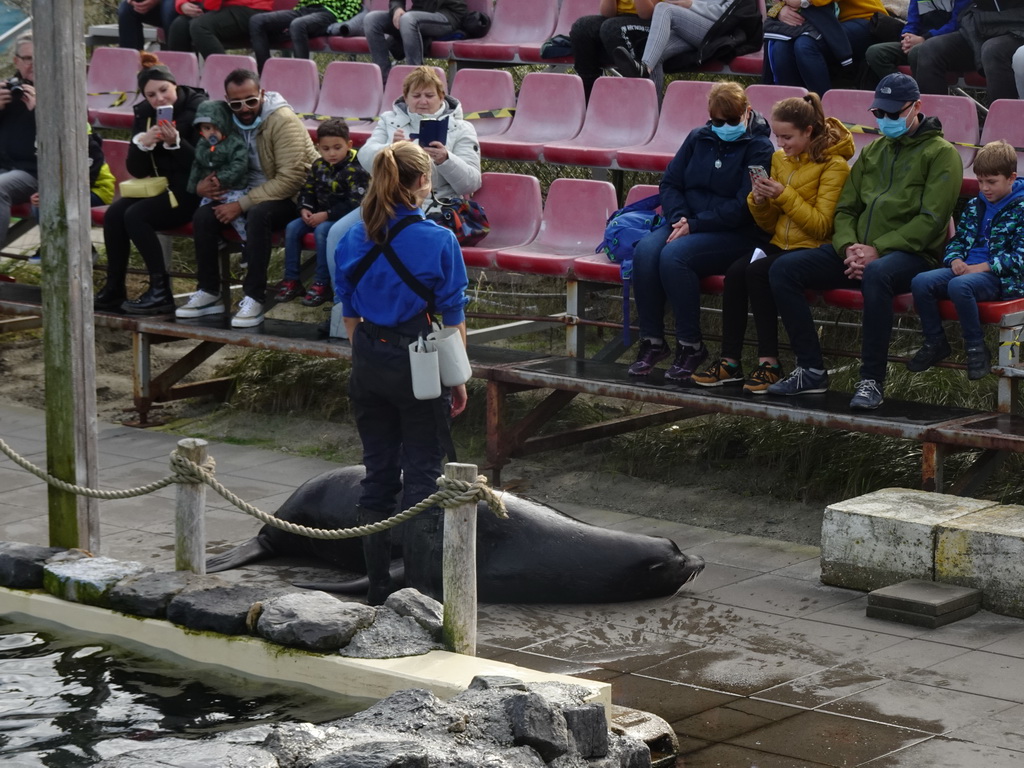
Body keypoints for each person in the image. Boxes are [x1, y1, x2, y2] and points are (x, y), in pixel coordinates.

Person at [767, 73, 962, 409]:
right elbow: (845, 209)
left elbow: (932, 220)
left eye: (892, 113)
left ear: (916, 106)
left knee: (878, 273)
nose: (885, 121)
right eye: (879, 114)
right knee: (783, 269)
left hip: (913, 255)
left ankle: (871, 380)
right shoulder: (874, 151)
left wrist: (879, 249)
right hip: (860, 252)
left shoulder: (942, 154)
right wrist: (850, 249)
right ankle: (811, 369)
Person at [335, 141, 468, 605]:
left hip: (368, 355)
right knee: (425, 475)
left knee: (378, 474)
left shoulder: (353, 235)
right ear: (420, 184)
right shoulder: (438, 239)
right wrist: (458, 378)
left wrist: (370, 357)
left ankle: (376, 589)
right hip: (420, 359)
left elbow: (349, 311)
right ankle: (422, 591)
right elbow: (452, 317)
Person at [693, 93, 854, 393]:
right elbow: (769, 224)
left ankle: (770, 362)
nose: (781, 145)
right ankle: (730, 361)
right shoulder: (780, 159)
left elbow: (822, 225)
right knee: (737, 272)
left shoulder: (835, 166)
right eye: (778, 137)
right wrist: (759, 201)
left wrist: (783, 195)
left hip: (813, 249)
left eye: (788, 137)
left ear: (808, 131)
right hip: (780, 242)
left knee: (759, 272)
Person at [627, 81, 774, 381]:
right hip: (685, 222)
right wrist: (682, 218)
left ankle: (691, 345)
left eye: (732, 121)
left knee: (674, 257)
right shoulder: (698, 137)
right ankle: (652, 341)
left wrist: (696, 224)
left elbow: (745, 205)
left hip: (735, 231)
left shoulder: (760, 147)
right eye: (718, 121)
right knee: (644, 252)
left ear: (746, 113)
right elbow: (671, 183)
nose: (724, 127)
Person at [176, 68, 317, 328]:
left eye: (251, 100)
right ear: (228, 100)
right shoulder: (226, 119)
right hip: (241, 189)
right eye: (236, 102)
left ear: (262, 94)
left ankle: (254, 297)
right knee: (203, 216)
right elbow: (211, 155)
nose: (244, 108)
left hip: (291, 195)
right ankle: (209, 292)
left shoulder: (282, 120)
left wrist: (239, 205)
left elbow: (292, 178)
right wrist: (203, 186)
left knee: (258, 214)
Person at [324, 65, 481, 294]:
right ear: (405, 97)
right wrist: (390, 149)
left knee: (398, 244)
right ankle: (343, 306)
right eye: (415, 95)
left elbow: (471, 182)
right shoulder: (390, 120)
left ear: (441, 96)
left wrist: (446, 159)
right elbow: (365, 158)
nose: (422, 101)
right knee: (338, 234)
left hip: (431, 206)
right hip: (384, 201)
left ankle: (403, 308)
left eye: (429, 95)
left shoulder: (461, 128)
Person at [94, 53, 207, 315]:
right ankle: (114, 287)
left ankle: (160, 291)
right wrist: (143, 144)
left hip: (193, 190)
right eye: (152, 95)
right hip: (159, 187)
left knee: (136, 216)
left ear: (174, 85)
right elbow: (137, 170)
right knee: (114, 214)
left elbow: (203, 164)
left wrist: (175, 143)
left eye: (164, 90)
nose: (159, 99)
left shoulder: (200, 108)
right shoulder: (145, 114)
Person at [908, 140, 1024, 380]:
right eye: (980, 181)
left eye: (991, 182)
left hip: (1000, 278)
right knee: (921, 282)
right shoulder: (975, 205)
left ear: (1011, 178)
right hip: (968, 270)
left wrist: (983, 267)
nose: (985, 188)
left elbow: (1020, 257)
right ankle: (935, 340)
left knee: (959, 286)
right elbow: (958, 240)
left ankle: (976, 347)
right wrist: (955, 260)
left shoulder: (1021, 208)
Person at [275, 118, 369, 307]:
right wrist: (305, 209)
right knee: (292, 228)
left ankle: (322, 282)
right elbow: (307, 190)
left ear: (349, 144)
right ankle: (292, 279)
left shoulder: (357, 168)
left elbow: (354, 203)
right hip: (317, 215)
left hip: (338, 218)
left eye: (337, 147)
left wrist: (326, 214)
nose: (331, 153)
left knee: (322, 231)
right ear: (318, 147)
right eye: (326, 149)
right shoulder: (318, 166)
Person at [763, 0, 888, 95]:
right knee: (781, 46)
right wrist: (780, 9)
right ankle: (793, 112)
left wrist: (803, 1)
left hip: (865, 20)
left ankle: (824, 111)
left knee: (805, 45)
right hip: (821, 23)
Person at [914, 0, 1024, 101]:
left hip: (1017, 28)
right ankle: (934, 119)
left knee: (993, 50)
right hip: (984, 25)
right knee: (930, 49)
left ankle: (1003, 120)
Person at [612, 0, 750, 79]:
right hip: (690, 26)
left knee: (665, 9)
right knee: (656, 53)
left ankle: (644, 68)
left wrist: (690, 5)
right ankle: (652, 116)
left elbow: (726, 14)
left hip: (718, 31)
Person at [862, 0, 970, 88]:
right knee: (875, 53)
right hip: (916, 41)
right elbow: (912, 21)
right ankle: (905, 90)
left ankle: (922, 102)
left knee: (917, 52)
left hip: (944, 45)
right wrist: (907, 38)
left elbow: (956, 24)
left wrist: (924, 38)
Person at [570, 0, 661, 101]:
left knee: (611, 28)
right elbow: (607, 14)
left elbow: (647, 14)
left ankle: (638, 93)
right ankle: (589, 96)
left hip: (651, 24)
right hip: (618, 20)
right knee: (582, 28)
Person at [187, 99, 251, 243]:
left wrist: (222, 178)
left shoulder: (234, 143)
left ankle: (247, 242)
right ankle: (218, 240)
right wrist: (194, 187)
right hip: (215, 190)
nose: (212, 133)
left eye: (216, 128)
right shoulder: (203, 144)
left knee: (233, 216)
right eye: (207, 128)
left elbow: (239, 165)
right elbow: (197, 164)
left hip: (235, 188)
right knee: (201, 212)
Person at [363, 0, 467, 84]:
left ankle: (417, 81)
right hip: (417, 13)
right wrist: (397, 8)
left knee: (408, 19)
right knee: (372, 20)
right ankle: (385, 81)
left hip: (447, 14)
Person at [249, 0, 362, 73]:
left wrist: (337, 24)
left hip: (328, 13)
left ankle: (302, 76)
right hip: (304, 11)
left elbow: (354, 6)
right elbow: (303, 3)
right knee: (257, 21)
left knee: (298, 25)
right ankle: (265, 74)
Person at [0, 34, 36, 249]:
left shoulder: (62, 90)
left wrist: (38, 109)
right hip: (6, 166)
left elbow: (78, 135)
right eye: (28, 58)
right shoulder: (7, 91)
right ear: (17, 62)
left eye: (40, 58)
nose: (34, 65)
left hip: (36, 171)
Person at [167, 0, 272, 59]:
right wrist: (183, 3)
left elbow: (212, 4)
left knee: (200, 26)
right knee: (179, 26)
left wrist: (204, 7)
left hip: (252, 8)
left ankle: (228, 81)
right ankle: (182, 85)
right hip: (218, 7)